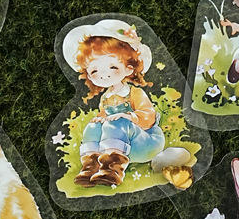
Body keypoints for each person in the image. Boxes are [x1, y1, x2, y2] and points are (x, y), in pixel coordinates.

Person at [62, 20, 165, 187]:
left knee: (117, 122)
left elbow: (149, 117)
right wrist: (100, 119)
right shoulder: (106, 98)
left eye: (112, 67)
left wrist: (127, 116)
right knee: (93, 127)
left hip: (145, 142)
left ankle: (113, 170)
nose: (103, 75)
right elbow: (104, 118)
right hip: (118, 144)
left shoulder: (134, 93)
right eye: (94, 70)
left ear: (129, 69)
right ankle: (91, 166)